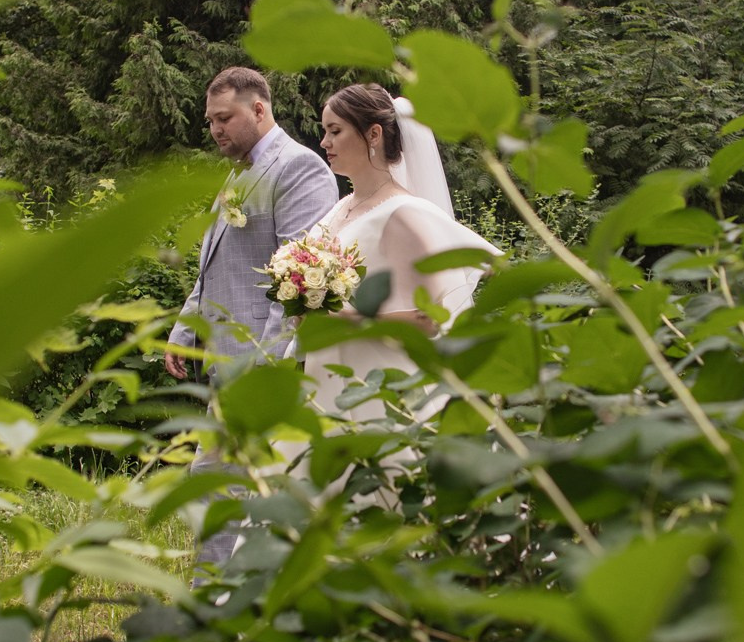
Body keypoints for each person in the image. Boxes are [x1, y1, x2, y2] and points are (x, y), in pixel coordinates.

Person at [165, 66, 338, 562]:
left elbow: (300, 283)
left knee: (239, 490)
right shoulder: (239, 169)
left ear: (259, 109)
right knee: (219, 489)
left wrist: (265, 365)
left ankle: (227, 602)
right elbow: (218, 262)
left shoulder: (298, 168)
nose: (216, 129)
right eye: (211, 121)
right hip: (226, 359)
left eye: (225, 118)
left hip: (262, 365)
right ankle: (219, 601)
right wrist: (185, 327)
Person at [302, 82, 499, 430]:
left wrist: (334, 321)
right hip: (330, 379)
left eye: (335, 131)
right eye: (324, 131)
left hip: (383, 390)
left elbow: (427, 320)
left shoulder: (405, 214)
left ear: (373, 134)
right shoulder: (341, 208)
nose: (324, 143)